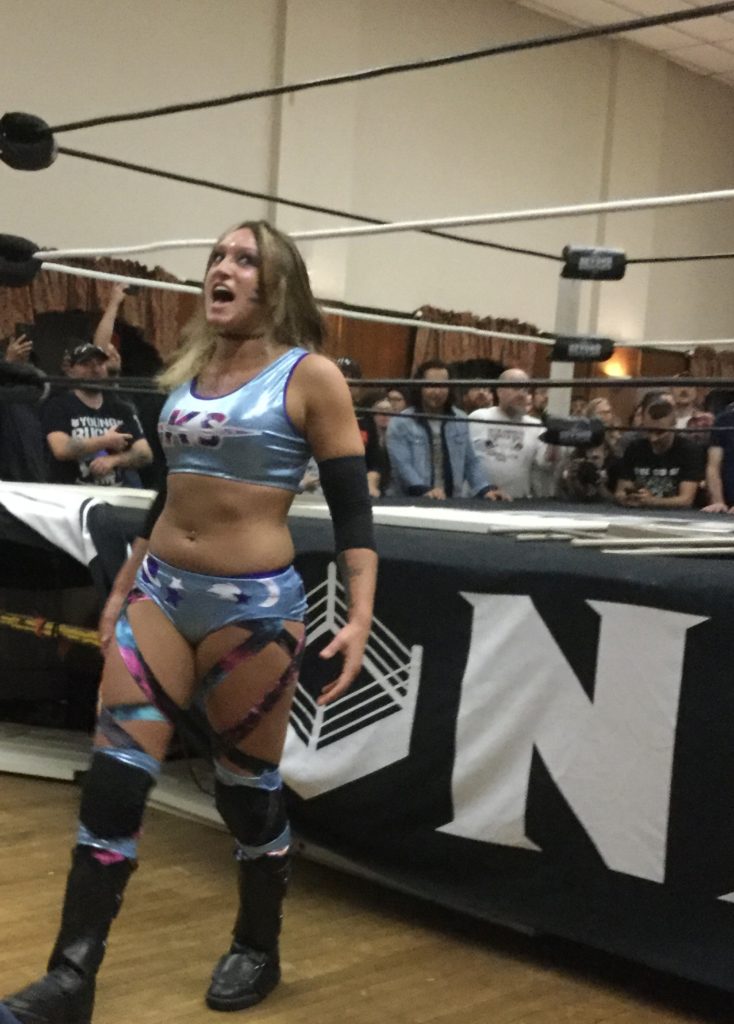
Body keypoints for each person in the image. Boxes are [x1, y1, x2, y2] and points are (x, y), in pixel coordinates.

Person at [0, 220, 377, 1024]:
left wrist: (362, 613)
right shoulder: (189, 372)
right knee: (114, 776)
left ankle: (258, 942)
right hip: (160, 596)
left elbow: (352, 511)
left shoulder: (309, 376)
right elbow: (167, 493)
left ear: (276, 283)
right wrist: (121, 587)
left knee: (246, 790)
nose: (223, 268)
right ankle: (71, 979)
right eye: (217, 257)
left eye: (245, 259)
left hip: (254, 613)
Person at [386, 360, 505, 500]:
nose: (437, 391)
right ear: (419, 387)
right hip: (410, 501)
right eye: (431, 385)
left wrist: (484, 489)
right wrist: (423, 490)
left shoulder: (460, 419)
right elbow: (402, 466)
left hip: (452, 501)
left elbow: (471, 461)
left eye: (443, 386)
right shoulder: (400, 422)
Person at [41, 343, 153, 487]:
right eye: (86, 364)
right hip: (71, 494)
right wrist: (105, 441)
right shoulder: (58, 405)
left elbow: (145, 453)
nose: (94, 369)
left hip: (115, 494)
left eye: (100, 364)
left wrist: (115, 460)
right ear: (71, 370)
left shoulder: (121, 408)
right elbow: (61, 449)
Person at [468, 368, 555, 499]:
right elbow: (462, 457)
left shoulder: (536, 426)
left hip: (516, 502)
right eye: (515, 387)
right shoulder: (478, 417)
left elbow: (545, 463)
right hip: (476, 498)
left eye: (525, 390)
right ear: (499, 391)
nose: (521, 394)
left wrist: (556, 438)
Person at [614, 390, 703, 509]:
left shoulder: (688, 450)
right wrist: (628, 498)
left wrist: (651, 501)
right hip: (636, 513)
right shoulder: (634, 448)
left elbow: (686, 500)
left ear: (673, 425)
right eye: (649, 430)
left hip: (676, 518)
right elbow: (620, 491)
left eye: (660, 432)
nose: (653, 438)